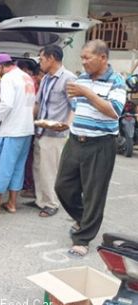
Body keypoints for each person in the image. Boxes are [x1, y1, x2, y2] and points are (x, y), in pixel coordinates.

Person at [55, 40, 126, 257]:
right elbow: (77, 107)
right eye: (82, 57)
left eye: (87, 58)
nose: (83, 62)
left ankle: (82, 238)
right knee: (62, 186)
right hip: (76, 139)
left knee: (94, 193)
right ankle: (85, 219)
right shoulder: (82, 79)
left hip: (100, 143)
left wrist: (87, 93)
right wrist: (67, 122)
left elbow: (114, 111)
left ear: (103, 58)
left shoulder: (116, 81)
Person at [0, 53, 36, 215]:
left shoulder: (8, 78)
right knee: (18, 167)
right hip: (26, 129)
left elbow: (6, 104)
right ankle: (12, 203)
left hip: (11, 130)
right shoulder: (26, 77)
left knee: (1, 166)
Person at [27, 45, 77, 218]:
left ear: (52, 58)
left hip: (56, 133)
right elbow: (38, 103)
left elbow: (75, 106)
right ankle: (41, 200)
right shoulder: (47, 78)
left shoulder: (69, 78)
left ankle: (51, 203)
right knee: (38, 167)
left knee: (50, 170)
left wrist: (67, 124)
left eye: (41, 59)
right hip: (41, 130)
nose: (39, 63)